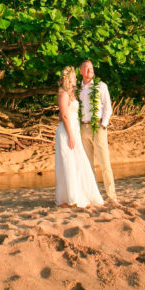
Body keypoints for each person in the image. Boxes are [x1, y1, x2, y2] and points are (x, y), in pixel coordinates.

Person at [54, 66, 104, 208]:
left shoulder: (71, 94)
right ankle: (68, 197)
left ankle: (79, 193)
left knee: (78, 162)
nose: (76, 78)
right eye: (74, 77)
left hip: (74, 130)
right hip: (66, 132)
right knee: (68, 163)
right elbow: (63, 115)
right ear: (69, 79)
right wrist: (70, 136)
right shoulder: (63, 94)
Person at [79, 59, 117, 203]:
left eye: (91, 68)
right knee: (88, 165)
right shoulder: (78, 89)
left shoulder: (101, 86)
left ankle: (111, 195)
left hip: (98, 127)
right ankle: (93, 195)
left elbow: (108, 108)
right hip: (83, 128)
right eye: (86, 68)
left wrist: (103, 125)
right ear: (81, 71)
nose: (90, 70)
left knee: (104, 163)